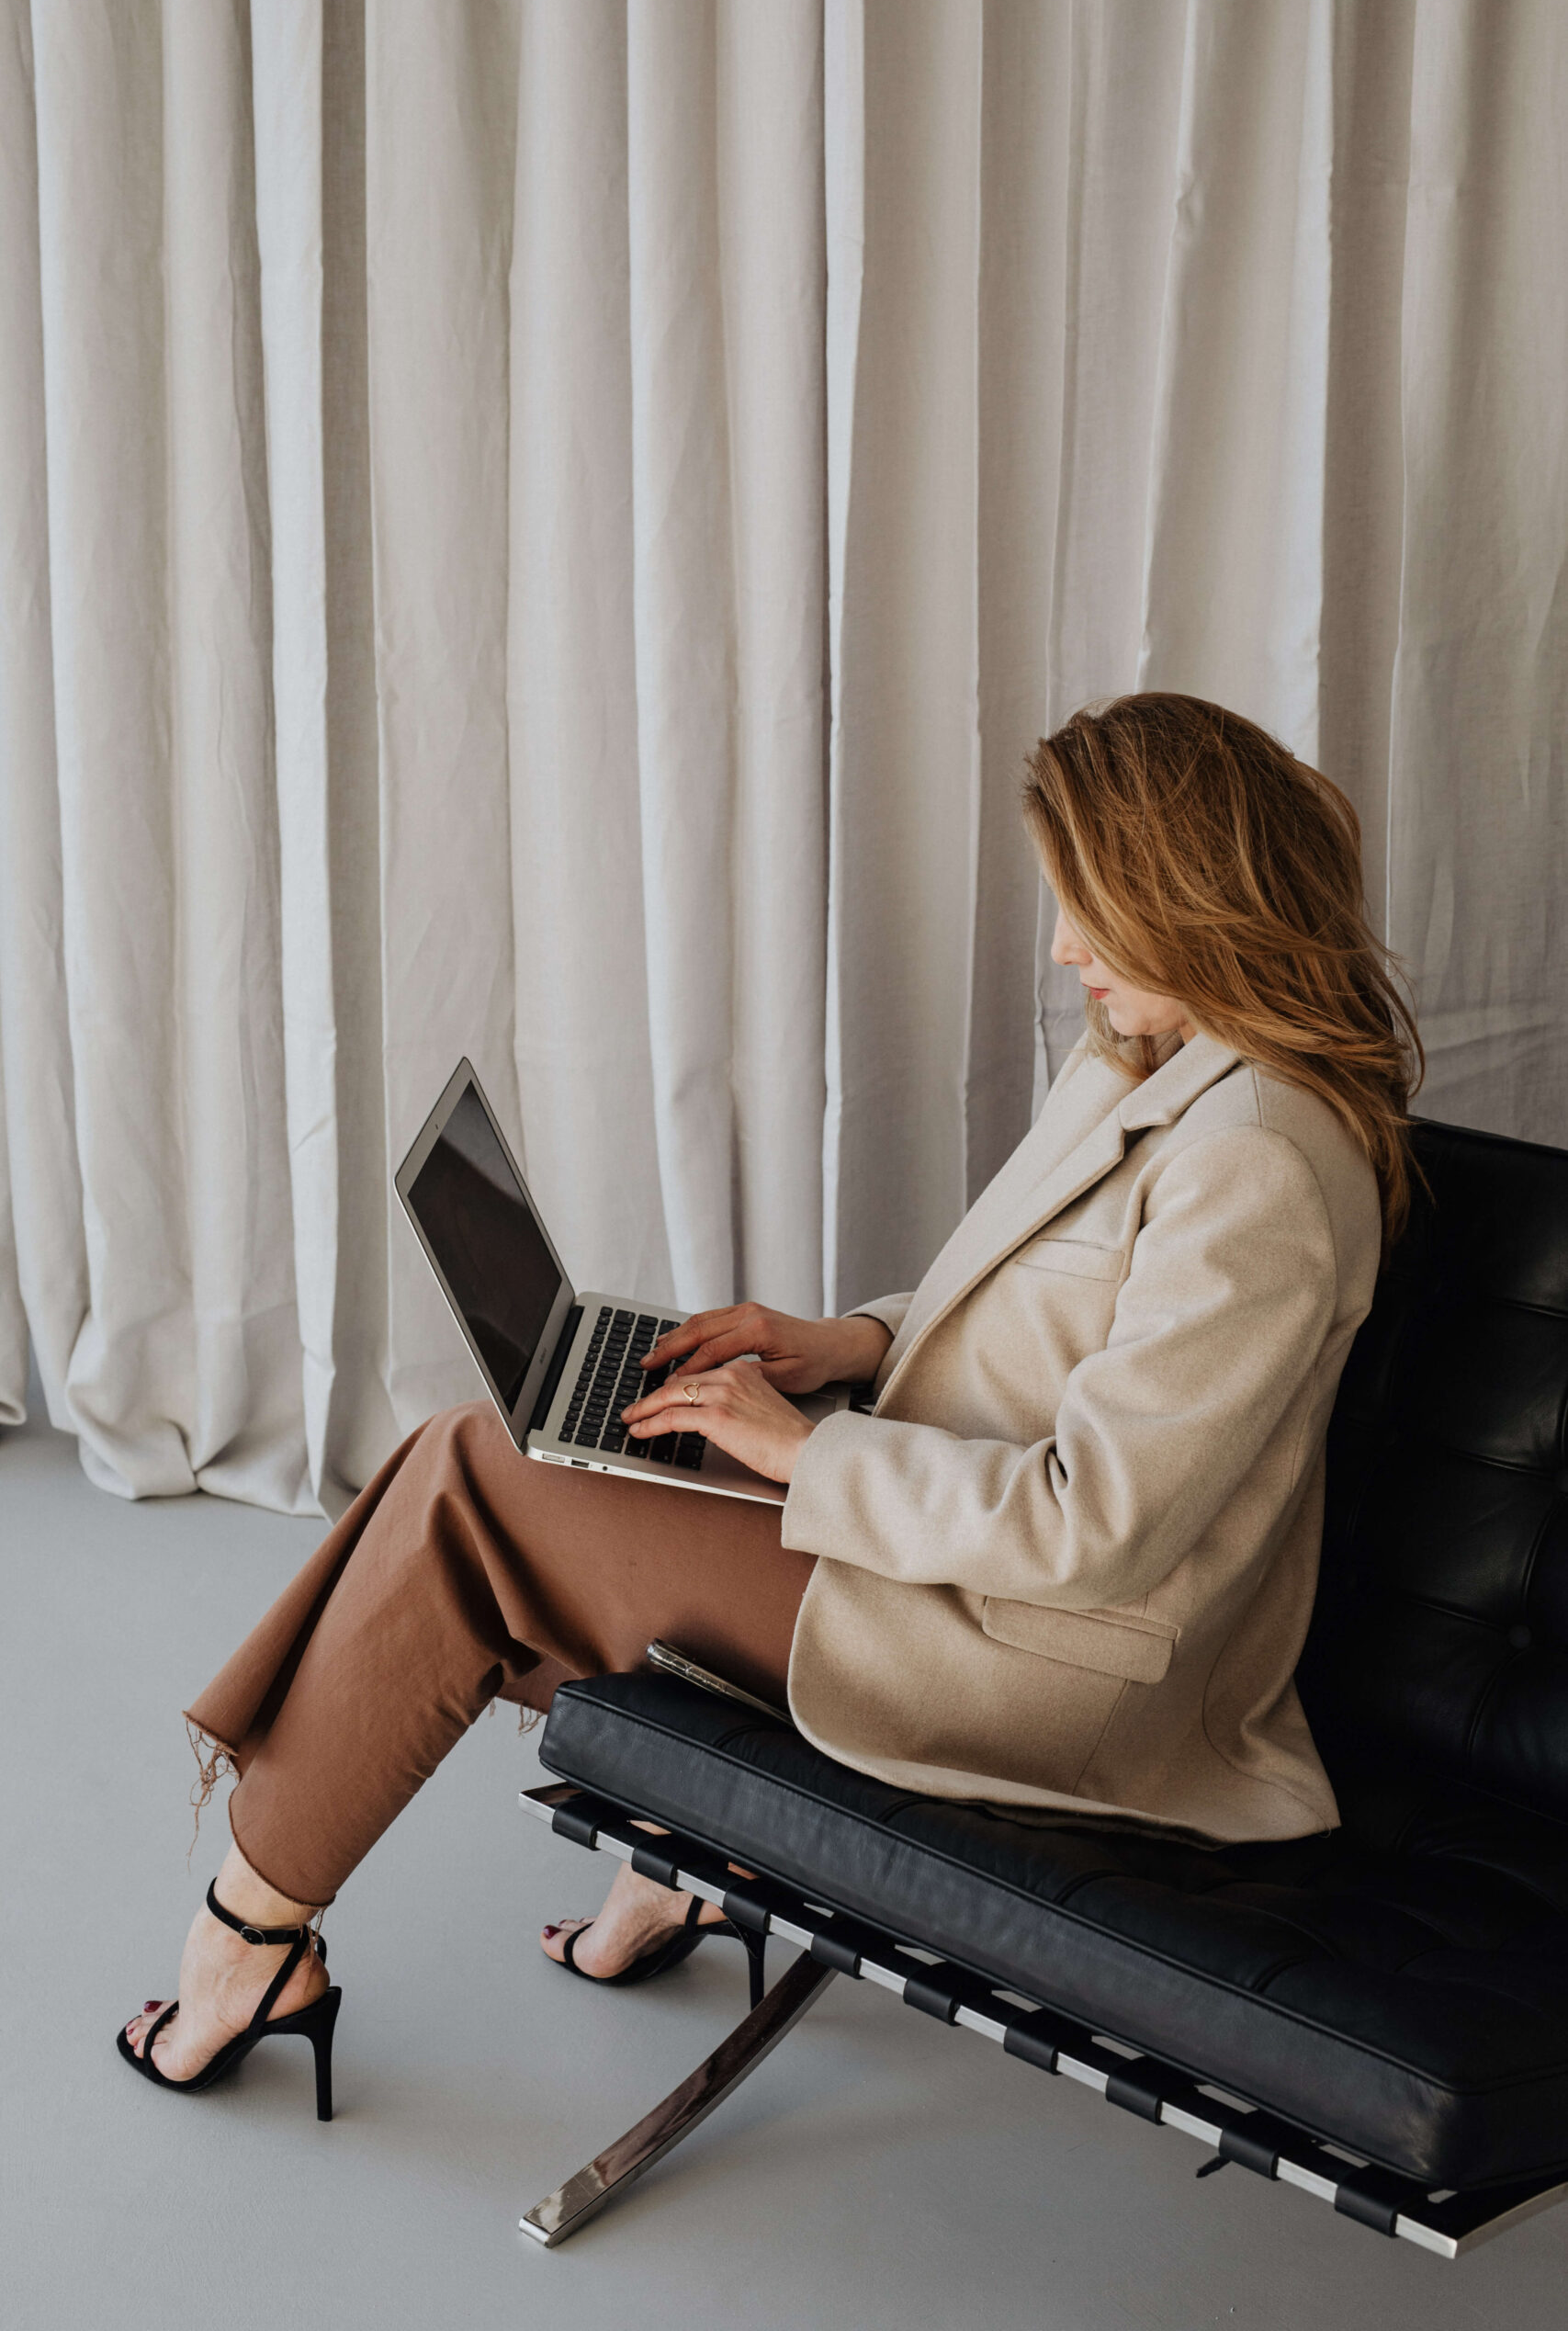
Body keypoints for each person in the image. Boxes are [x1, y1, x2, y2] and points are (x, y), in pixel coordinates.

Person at [119, 692, 1422, 2107]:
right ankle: (680, 1868)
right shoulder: (1163, 1064)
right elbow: (1067, 1320)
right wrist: (841, 1345)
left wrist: (805, 1457)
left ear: (1192, 896)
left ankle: (248, 1943)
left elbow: (1097, 1524)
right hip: (935, 1537)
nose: (1064, 949)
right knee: (562, 1442)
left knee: (473, 1484)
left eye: (1092, 911)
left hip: (1033, 1657)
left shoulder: (1259, 1163)